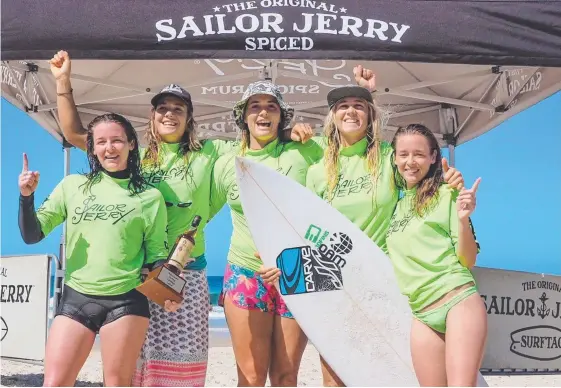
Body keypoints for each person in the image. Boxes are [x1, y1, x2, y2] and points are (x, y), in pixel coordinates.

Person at [49, 50, 314, 387]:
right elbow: (76, 135)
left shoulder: (212, 152)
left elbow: (258, 140)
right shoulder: (135, 156)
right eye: (163, 108)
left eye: (178, 109)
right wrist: (62, 84)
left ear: (190, 117)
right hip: (138, 273)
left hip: (186, 273)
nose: (170, 114)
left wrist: (290, 133)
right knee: (132, 367)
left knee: (184, 368)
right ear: (152, 116)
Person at [260, 66, 466, 387]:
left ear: (370, 116)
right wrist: (283, 267)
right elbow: (307, 233)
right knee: (337, 374)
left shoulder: (387, 158)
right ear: (332, 117)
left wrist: (447, 181)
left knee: (386, 370)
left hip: (383, 281)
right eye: (343, 106)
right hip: (335, 283)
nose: (351, 111)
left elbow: (424, 183)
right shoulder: (317, 171)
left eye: (358, 106)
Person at [18, 113, 172, 386]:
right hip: (77, 298)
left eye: (117, 140)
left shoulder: (151, 197)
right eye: (100, 142)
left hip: (127, 300)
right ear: (91, 148)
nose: (109, 148)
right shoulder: (72, 187)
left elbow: (155, 255)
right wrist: (26, 198)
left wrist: (171, 279)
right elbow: (32, 235)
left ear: (131, 145)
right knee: (54, 383)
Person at [209, 80, 325, 387]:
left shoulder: (305, 151)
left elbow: (356, 147)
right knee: (250, 376)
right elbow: (199, 209)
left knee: (287, 376)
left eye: (271, 106)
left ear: (282, 117)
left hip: (297, 269)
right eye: (255, 107)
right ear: (243, 117)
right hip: (247, 269)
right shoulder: (226, 162)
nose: (263, 113)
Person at [386, 123, 486, 386]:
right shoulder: (394, 207)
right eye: (403, 154)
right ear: (394, 158)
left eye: (418, 154)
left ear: (433, 158)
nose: (410, 161)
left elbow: (468, 260)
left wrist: (464, 221)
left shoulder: (447, 195)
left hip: (457, 301)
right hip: (422, 312)